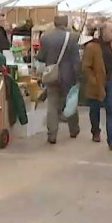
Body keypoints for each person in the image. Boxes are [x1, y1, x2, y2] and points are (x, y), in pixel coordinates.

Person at [36, 15, 81, 143]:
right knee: (70, 102)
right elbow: (76, 60)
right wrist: (79, 77)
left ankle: (52, 134)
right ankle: (73, 129)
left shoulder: (45, 37)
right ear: (66, 23)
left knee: (52, 104)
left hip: (51, 75)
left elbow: (40, 57)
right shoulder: (72, 37)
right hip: (69, 75)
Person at [82, 21, 112, 150]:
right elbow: (86, 67)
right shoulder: (92, 47)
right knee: (94, 109)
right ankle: (95, 131)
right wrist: (93, 81)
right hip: (96, 83)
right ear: (103, 32)